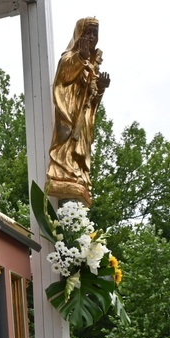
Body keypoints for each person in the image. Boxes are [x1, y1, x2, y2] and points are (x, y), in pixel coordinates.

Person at [46, 17, 110, 206]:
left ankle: (78, 174)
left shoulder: (92, 66)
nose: (91, 37)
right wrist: (80, 58)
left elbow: (92, 101)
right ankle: (64, 172)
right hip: (71, 116)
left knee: (81, 149)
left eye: (94, 33)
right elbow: (64, 77)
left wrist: (100, 88)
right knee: (67, 144)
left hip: (83, 121)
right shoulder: (70, 57)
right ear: (78, 34)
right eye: (87, 32)